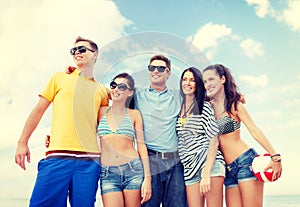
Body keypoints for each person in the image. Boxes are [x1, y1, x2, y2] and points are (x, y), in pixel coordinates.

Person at [14, 36, 109, 207]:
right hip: (57, 157)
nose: (77, 53)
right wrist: (22, 142)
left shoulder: (102, 90)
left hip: (89, 162)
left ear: (95, 54)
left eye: (82, 49)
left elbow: (105, 126)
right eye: (74, 51)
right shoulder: (59, 78)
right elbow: (38, 110)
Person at [202, 64, 283, 207]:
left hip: (245, 162)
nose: (208, 84)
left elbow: (255, 130)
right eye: (205, 81)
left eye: (211, 79)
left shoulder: (234, 105)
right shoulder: (208, 107)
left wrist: (275, 156)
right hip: (227, 170)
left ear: (222, 79)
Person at [135, 54, 187, 207]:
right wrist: (77, 73)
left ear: (168, 73)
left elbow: (205, 97)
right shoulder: (137, 95)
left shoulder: (179, 96)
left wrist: (235, 96)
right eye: (152, 68)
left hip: (175, 161)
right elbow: (111, 92)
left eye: (160, 68)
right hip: (150, 160)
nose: (156, 71)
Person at [97, 72, 151, 207]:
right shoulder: (100, 111)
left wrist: (147, 179)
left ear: (130, 92)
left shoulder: (134, 114)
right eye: (113, 85)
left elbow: (141, 146)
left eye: (121, 87)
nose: (116, 89)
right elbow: (84, 129)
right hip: (108, 173)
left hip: (133, 170)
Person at [176, 67, 225, 207]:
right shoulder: (179, 108)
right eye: (185, 79)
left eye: (192, 80)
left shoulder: (204, 107)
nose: (187, 83)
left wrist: (206, 173)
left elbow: (214, 140)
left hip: (209, 166)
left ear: (197, 84)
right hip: (189, 169)